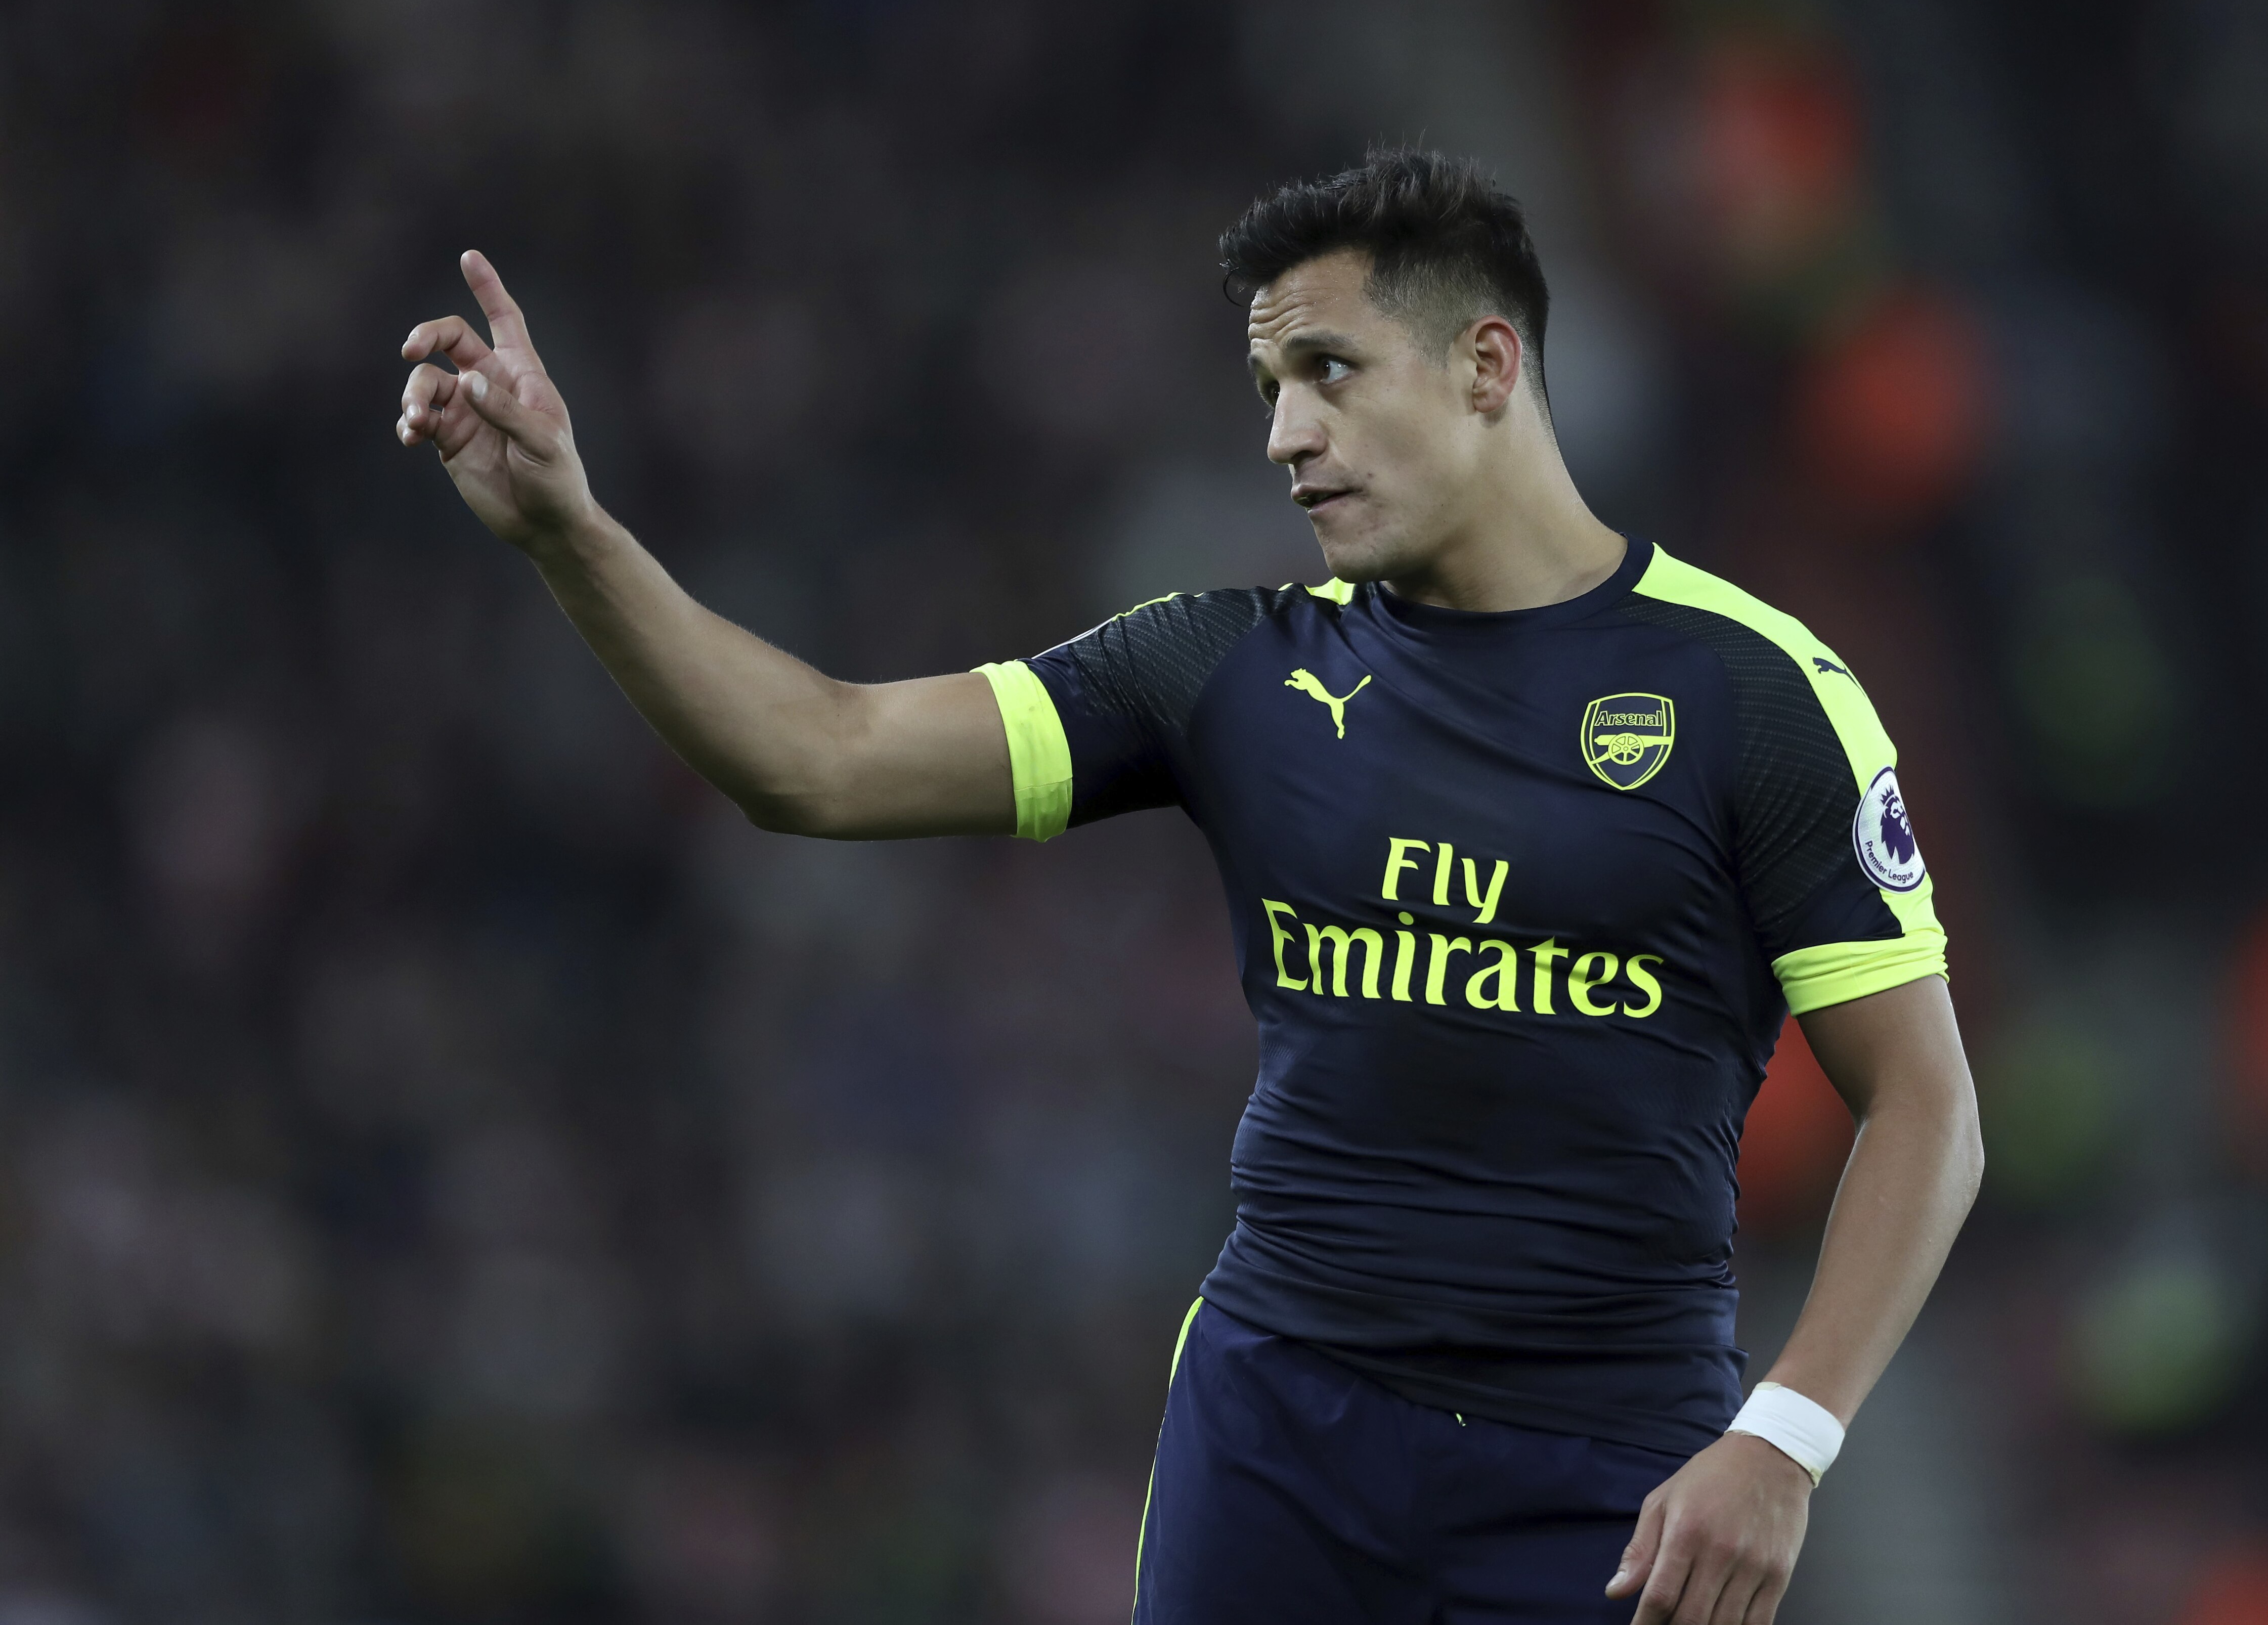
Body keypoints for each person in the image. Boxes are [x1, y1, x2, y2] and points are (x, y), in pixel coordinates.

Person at [394, 148, 1982, 1625]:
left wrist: (1786, 1437)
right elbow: (819, 758)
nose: (1286, 436)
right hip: (1278, 1437)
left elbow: (1925, 1105)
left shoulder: (1757, 694)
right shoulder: (1225, 667)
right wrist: (570, 533)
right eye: (1269, 387)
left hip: (1609, 1478)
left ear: (1488, 367)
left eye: (1330, 372)